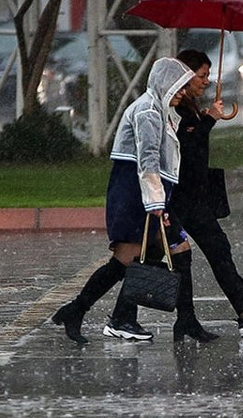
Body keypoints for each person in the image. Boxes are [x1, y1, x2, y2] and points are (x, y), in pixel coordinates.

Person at [105, 49, 243, 343]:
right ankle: (123, 317)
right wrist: (209, 120)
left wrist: (206, 117)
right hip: (181, 197)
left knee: (213, 252)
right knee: (158, 258)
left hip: (195, 197)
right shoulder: (174, 107)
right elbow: (183, 146)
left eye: (206, 75)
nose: (206, 81)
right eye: (201, 75)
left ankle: (239, 312)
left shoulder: (186, 105)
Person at [53, 57, 194, 344]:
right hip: (135, 194)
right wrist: (156, 204)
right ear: (164, 84)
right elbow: (148, 160)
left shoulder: (160, 110)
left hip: (144, 193)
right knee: (126, 259)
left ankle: (116, 316)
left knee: (155, 255)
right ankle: (86, 311)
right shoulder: (148, 112)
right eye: (179, 86)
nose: (183, 92)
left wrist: (160, 201)